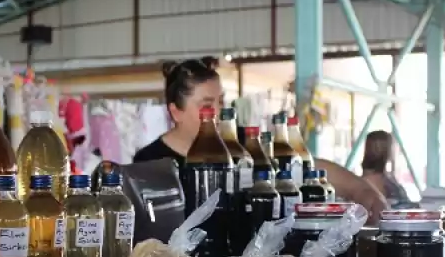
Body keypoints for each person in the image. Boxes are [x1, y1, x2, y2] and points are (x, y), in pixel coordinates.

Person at [133, 57, 388, 221]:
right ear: (175, 111)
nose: (217, 111)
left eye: (221, 101)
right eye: (206, 104)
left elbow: (301, 166)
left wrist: (360, 189)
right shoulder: (150, 161)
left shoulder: (242, 144)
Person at [361, 130, 411, 206]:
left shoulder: (384, 177)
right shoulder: (378, 180)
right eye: (393, 146)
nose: (395, 150)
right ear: (386, 149)